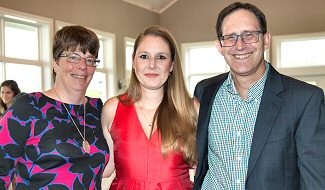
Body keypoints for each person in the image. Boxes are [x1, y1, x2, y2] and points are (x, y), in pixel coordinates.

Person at [193, 2, 325, 190]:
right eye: (230, 37)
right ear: (220, 46)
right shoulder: (205, 91)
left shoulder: (305, 99)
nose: (240, 45)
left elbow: (315, 181)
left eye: (249, 35)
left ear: (266, 40)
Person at [0, 25, 110, 189]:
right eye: (73, 57)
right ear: (55, 63)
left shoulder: (98, 110)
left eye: (90, 59)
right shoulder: (28, 106)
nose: (82, 66)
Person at [101, 25, 199, 189]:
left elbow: (206, 170)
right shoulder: (112, 109)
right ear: (133, 61)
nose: (152, 64)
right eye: (144, 56)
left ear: (172, 65)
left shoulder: (191, 110)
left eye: (161, 57)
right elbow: (104, 168)